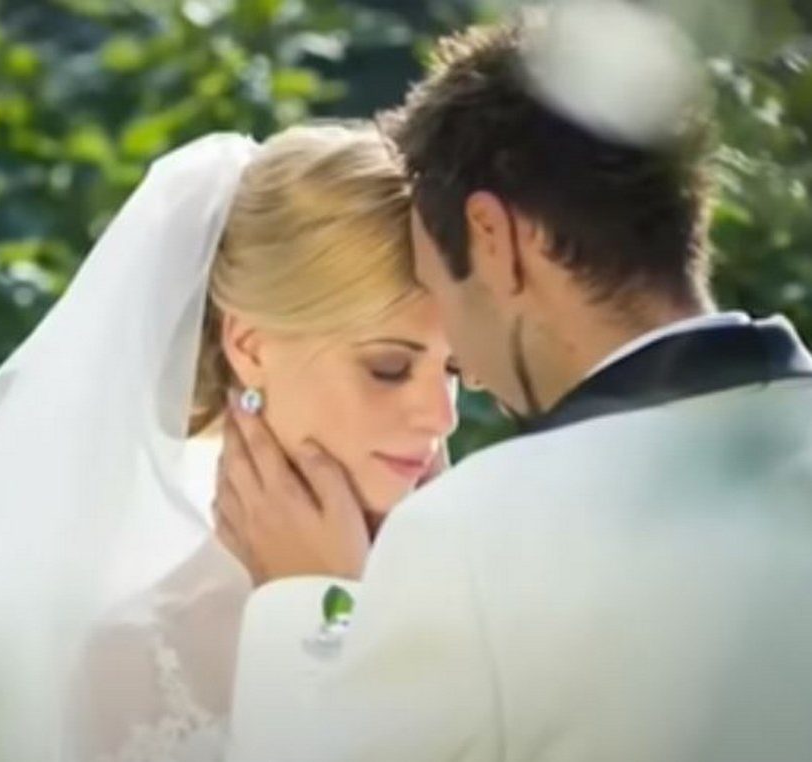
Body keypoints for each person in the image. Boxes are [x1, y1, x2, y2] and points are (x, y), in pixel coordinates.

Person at [219, 11, 812, 762]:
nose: (463, 383)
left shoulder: (468, 540)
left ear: (494, 238)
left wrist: (309, 607)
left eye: (443, 287)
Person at [0, 124, 458, 762]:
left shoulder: (476, 593)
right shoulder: (133, 665)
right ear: (249, 347)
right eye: (389, 368)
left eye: (455, 369)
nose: (442, 416)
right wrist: (329, 613)